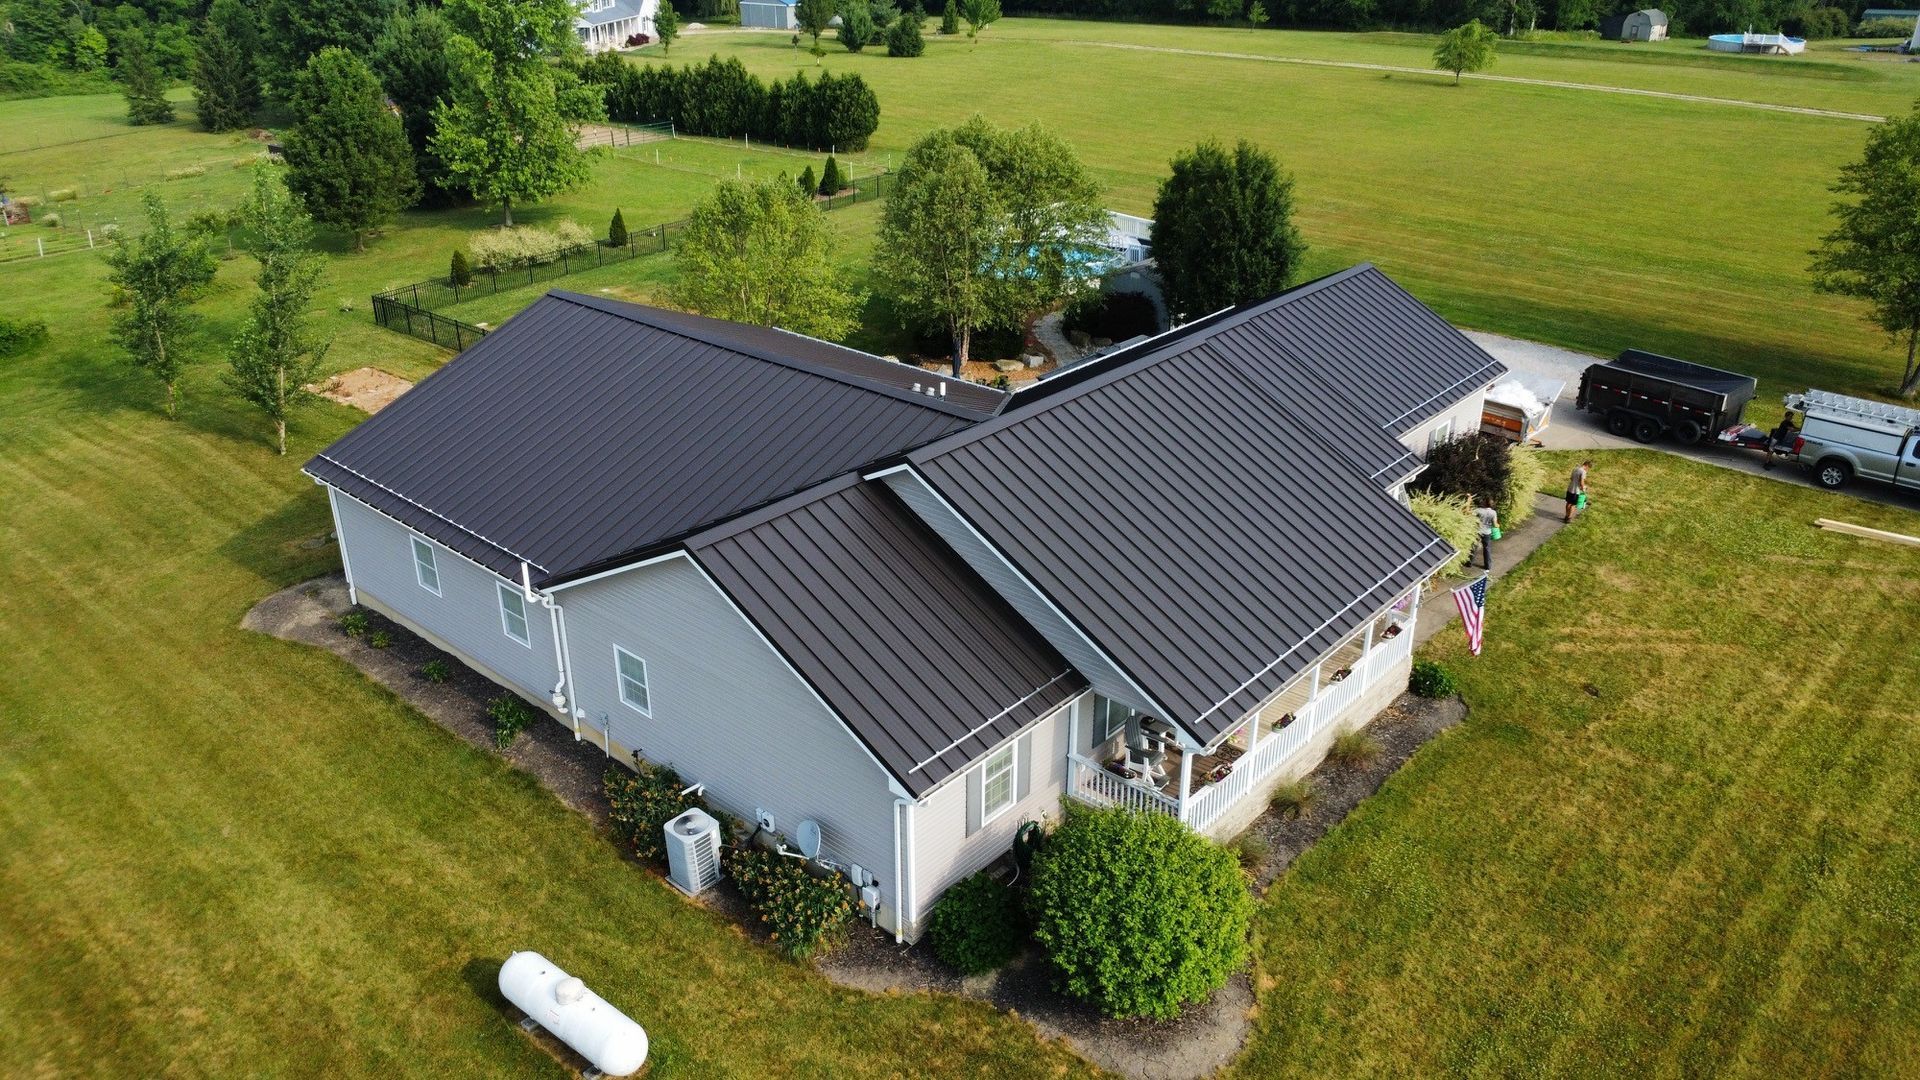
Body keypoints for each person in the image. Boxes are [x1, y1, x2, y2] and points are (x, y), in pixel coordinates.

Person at [1474, 497, 1499, 572]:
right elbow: (1495, 525)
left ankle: (1469, 563)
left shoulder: (1479, 510)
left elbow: (1467, 512)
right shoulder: (1493, 512)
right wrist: (1498, 525)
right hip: (1487, 532)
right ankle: (1487, 566)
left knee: (1474, 547)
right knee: (1487, 549)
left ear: (1484, 503)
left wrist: (1469, 501)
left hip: (1477, 531)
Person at [1565, 459, 1592, 523]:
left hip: (1570, 488)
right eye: (1588, 468)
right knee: (1573, 505)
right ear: (1587, 466)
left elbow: (1571, 478)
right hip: (1576, 491)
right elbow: (1582, 482)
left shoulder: (1575, 469)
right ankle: (1569, 518)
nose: (1587, 470)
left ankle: (1566, 516)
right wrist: (1583, 489)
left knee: (1568, 503)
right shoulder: (1583, 472)